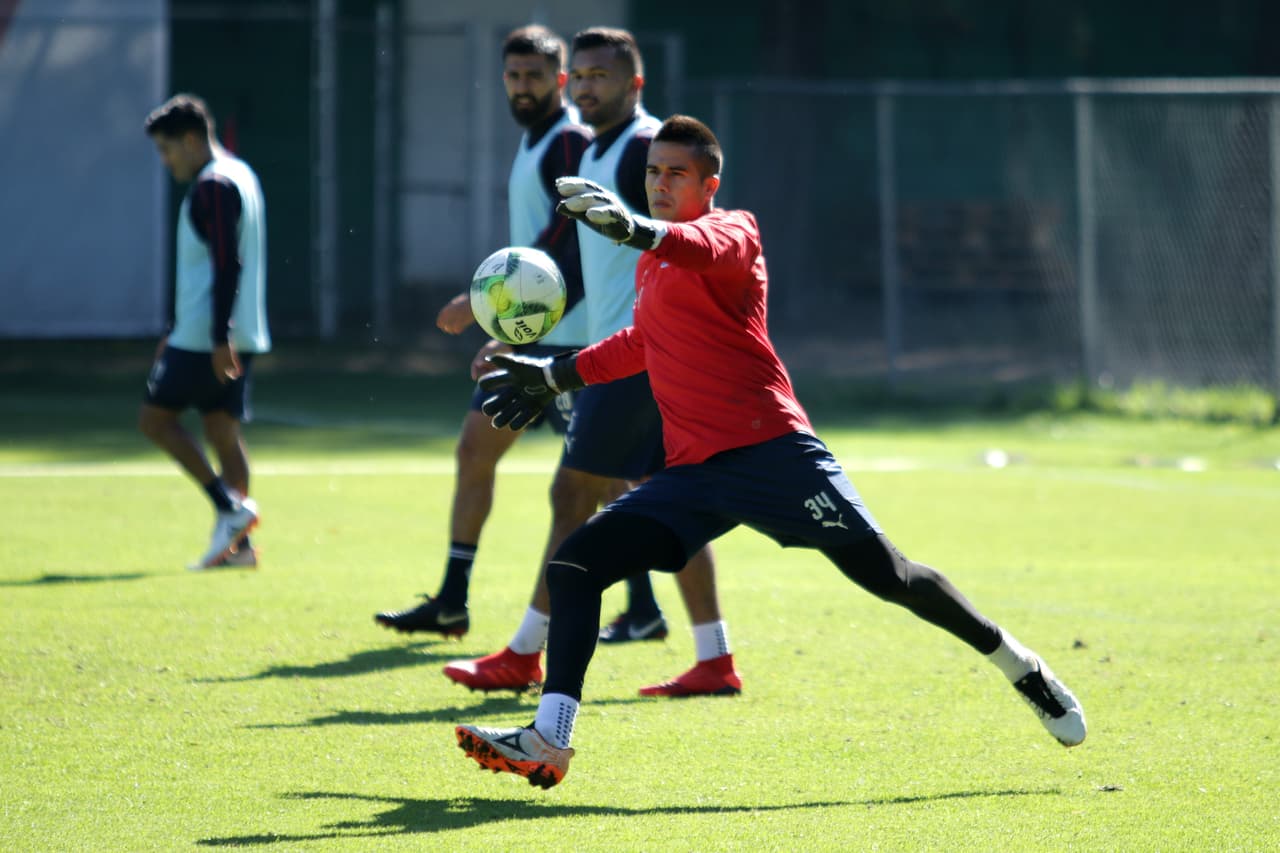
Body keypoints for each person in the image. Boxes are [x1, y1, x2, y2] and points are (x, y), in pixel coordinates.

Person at [454, 114, 1087, 789]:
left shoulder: (734, 231)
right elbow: (642, 342)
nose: (660, 183)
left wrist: (635, 228)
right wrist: (553, 374)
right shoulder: (653, 261)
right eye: (653, 172)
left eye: (676, 174)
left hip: (775, 456)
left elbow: (696, 245)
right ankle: (550, 738)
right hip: (694, 474)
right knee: (576, 565)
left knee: (892, 577)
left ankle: (1020, 664)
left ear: (709, 185)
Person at [440, 27, 742, 699]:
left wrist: (518, 331)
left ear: (634, 83)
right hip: (627, 351)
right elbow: (572, 261)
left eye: (599, 76)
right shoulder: (601, 149)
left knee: (571, 496)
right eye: (578, 76)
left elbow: (689, 238)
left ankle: (525, 653)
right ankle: (714, 657)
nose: (584, 87)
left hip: (639, 353)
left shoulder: (643, 150)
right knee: (660, 499)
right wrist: (519, 329)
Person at [373, 24, 593, 638]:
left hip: (570, 338)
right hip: (532, 333)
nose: (523, 87)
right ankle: (452, 600)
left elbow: (568, 242)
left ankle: (648, 609)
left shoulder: (569, 140)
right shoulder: (535, 140)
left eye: (535, 76)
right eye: (514, 76)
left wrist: (487, 305)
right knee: (475, 450)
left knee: (605, 479)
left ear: (560, 79)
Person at [139, 93, 269, 571]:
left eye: (167, 148)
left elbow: (225, 263)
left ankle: (229, 507)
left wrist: (217, 337)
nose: (165, 160)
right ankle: (239, 550)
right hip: (236, 331)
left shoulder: (213, 184)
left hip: (206, 336)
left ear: (192, 140)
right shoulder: (240, 172)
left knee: (154, 421)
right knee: (221, 430)